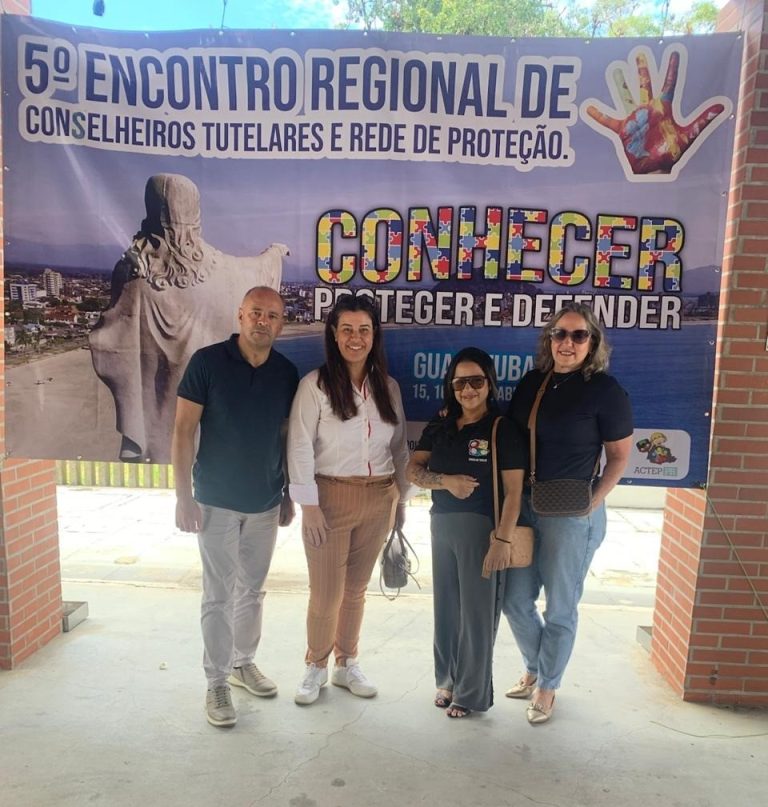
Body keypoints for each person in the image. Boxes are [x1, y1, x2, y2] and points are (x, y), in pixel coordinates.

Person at [90, 173, 289, 463]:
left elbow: (113, 345)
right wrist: (274, 254)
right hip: (211, 400)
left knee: (167, 456)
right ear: (194, 210)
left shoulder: (132, 270)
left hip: (159, 401)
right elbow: (252, 272)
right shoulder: (216, 269)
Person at [172, 286, 298, 728]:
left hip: (265, 502)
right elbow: (183, 431)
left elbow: (285, 438)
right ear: (240, 315)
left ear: (281, 323)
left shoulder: (286, 372)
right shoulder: (207, 362)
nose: (263, 322)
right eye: (256, 313)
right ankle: (217, 681)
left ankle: (244, 663)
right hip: (215, 502)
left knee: (253, 591)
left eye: (273, 316)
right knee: (219, 595)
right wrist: (182, 496)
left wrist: (285, 494)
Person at [502, 302, 632, 725]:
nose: (568, 343)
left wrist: (589, 505)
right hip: (526, 508)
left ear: (592, 342)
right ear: (549, 339)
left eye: (578, 335)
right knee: (515, 601)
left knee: (560, 606)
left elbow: (618, 459)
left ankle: (546, 685)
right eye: (560, 334)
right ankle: (538, 667)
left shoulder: (605, 391)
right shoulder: (531, 384)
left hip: (571, 515)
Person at [288, 294, 411, 705]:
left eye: (364, 330)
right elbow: (300, 447)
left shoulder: (388, 388)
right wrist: (309, 507)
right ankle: (315, 666)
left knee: (355, 590)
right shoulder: (314, 387)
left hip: (380, 499)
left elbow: (398, 449)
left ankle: (346, 664)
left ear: (374, 335)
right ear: (334, 336)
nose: (356, 338)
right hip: (329, 499)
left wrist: (402, 501)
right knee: (326, 593)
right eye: (347, 330)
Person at [406, 347, 527, 718]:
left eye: (476, 381)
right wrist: (445, 482)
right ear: (451, 386)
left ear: (489, 384)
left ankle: (471, 694)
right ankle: (447, 679)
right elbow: (413, 470)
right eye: (460, 383)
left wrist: (502, 540)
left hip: (481, 532)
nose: (468, 390)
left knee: (476, 616)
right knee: (446, 609)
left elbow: (514, 492)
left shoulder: (501, 429)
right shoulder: (440, 425)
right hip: (441, 524)